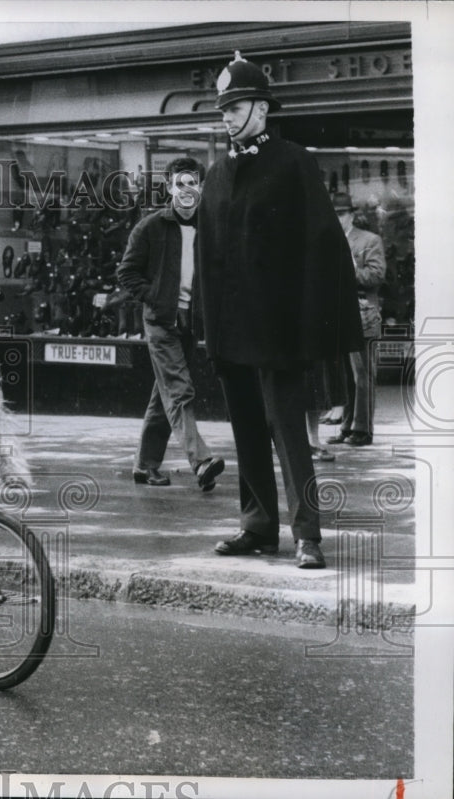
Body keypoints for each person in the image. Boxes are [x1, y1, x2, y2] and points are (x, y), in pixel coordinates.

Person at [197, 52, 363, 569]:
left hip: (279, 330)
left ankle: (307, 534)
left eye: (238, 106)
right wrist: (209, 330)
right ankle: (258, 527)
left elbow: (323, 245)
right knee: (247, 430)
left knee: (289, 432)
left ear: (263, 109)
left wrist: (314, 326)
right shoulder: (218, 172)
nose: (227, 116)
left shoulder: (294, 162)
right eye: (224, 108)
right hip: (232, 331)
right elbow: (207, 253)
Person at [117, 157, 225, 491]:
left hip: (191, 324)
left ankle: (144, 465)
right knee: (179, 390)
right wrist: (156, 296)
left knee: (163, 394)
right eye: (180, 184)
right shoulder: (150, 227)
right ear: (169, 187)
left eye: (192, 183)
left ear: (201, 187)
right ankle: (201, 460)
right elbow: (126, 273)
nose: (186, 190)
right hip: (162, 322)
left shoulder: (210, 227)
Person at [327, 192, 386, 448]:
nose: (338, 219)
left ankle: (362, 429)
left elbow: (376, 276)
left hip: (362, 312)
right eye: (335, 214)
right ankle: (348, 425)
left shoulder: (369, 240)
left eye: (341, 214)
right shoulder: (330, 240)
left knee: (362, 373)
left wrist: (349, 270)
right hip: (340, 313)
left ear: (351, 214)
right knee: (346, 375)